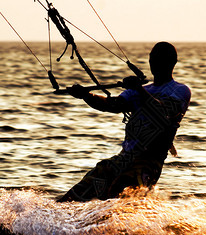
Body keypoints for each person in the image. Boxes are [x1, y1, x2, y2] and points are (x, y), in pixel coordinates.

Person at [57, 42, 191, 202]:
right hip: (122, 159)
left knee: (116, 195)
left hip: (148, 163)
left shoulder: (180, 90)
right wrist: (86, 95)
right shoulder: (141, 89)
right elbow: (112, 104)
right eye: (153, 59)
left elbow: (164, 111)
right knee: (77, 194)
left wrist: (138, 89)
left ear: (172, 62)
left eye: (161, 59)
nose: (155, 63)